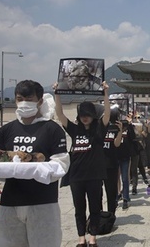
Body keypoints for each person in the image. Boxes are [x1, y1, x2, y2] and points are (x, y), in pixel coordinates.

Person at [0, 80, 69, 247]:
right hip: (10, 201)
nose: (24, 103)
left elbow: (61, 164)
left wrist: (36, 168)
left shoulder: (52, 129)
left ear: (40, 101)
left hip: (43, 201)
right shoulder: (6, 131)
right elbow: (0, 163)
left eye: (29, 99)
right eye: (20, 99)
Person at [54, 81, 110, 247]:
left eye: (88, 114)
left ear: (93, 116)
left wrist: (105, 93)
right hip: (76, 176)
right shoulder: (75, 130)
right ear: (79, 116)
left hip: (94, 176)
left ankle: (92, 237)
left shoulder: (99, 130)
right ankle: (81, 238)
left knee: (94, 208)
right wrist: (57, 93)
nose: (85, 117)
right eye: (82, 114)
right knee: (79, 208)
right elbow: (60, 114)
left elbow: (106, 114)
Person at [114, 113, 136, 210]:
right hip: (115, 157)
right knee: (115, 179)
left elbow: (133, 137)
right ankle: (117, 194)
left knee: (125, 178)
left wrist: (130, 124)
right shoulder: (114, 130)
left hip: (125, 157)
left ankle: (126, 198)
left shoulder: (128, 130)